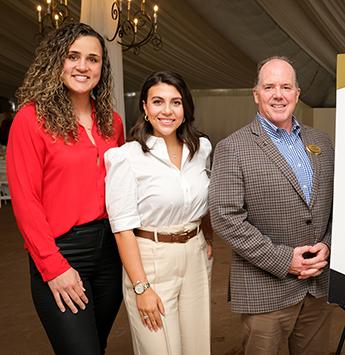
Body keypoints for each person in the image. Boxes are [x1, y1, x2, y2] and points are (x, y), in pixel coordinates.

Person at [6, 23, 124, 355]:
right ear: (56, 61)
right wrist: (53, 266)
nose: (83, 66)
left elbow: (124, 188)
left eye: (93, 59)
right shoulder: (31, 119)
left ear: (103, 66)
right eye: (73, 56)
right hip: (62, 252)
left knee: (95, 345)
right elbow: (26, 200)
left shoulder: (111, 122)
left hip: (110, 254)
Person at [209, 56, 334, 355]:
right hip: (266, 290)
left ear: (297, 94)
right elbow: (225, 218)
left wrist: (328, 246)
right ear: (256, 94)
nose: (278, 94)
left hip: (319, 286)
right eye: (269, 87)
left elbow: (337, 206)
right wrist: (283, 260)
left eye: (286, 87)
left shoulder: (323, 142)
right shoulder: (233, 147)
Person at [105, 71, 213, 355]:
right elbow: (122, 228)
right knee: (160, 349)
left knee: (197, 347)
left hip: (195, 255)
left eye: (175, 102)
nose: (167, 111)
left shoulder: (201, 148)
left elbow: (204, 201)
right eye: (158, 102)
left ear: (185, 107)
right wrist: (141, 288)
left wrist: (208, 239)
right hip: (150, 259)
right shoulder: (126, 157)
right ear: (144, 107)